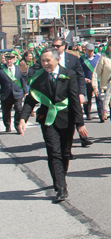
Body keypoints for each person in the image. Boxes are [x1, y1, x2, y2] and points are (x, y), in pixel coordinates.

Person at [19, 47, 88, 203]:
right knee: (53, 152)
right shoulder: (38, 77)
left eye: (48, 60)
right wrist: (23, 118)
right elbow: (31, 100)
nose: (45, 63)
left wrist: (80, 124)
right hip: (47, 119)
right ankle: (61, 187)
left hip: (66, 118)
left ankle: (60, 176)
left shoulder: (69, 74)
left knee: (65, 152)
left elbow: (75, 101)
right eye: (42, 60)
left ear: (57, 59)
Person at [0, 52, 28, 133]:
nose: (9, 61)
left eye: (11, 59)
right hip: (6, 94)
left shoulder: (19, 68)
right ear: (5, 60)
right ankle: (7, 125)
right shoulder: (1, 70)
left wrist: (25, 90)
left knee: (19, 109)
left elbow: (23, 80)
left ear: (14, 59)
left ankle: (17, 126)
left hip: (18, 92)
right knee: (6, 111)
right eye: (7, 59)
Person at [80, 43, 104, 125]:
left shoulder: (98, 58)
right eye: (89, 51)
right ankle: (88, 113)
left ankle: (101, 115)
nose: (90, 52)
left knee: (99, 97)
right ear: (85, 50)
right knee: (88, 99)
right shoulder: (81, 59)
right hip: (87, 81)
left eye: (92, 51)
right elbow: (79, 71)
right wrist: (83, 78)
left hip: (97, 81)